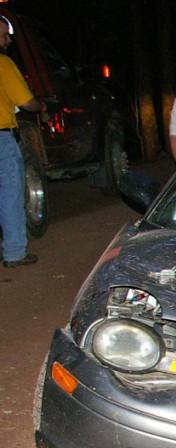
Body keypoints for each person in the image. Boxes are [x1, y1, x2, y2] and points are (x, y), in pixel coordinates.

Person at [0, 15, 46, 267]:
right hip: (2, 137)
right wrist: (40, 106)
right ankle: (14, 251)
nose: (8, 41)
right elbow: (25, 102)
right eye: (4, 36)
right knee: (10, 194)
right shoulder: (3, 64)